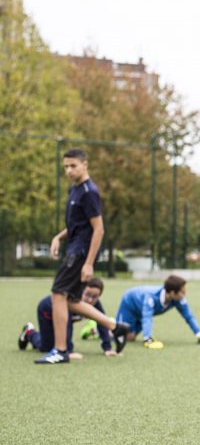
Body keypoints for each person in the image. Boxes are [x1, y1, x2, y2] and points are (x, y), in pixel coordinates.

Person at [38, 148, 129, 364]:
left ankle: (60, 351)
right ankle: (115, 327)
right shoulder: (75, 189)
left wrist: (88, 263)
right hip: (73, 249)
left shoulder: (89, 192)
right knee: (70, 300)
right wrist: (58, 237)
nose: (69, 170)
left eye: (73, 166)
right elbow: (77, 225)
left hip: (80, 253)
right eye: (66, 167)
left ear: (85, 165)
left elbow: (98, 229)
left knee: (58, 294)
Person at [19, 277, 116, 359]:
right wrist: (69, 351)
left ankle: (32, 334)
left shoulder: (96, 305)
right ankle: (29, 333)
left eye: (94, 297)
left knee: (52, 344)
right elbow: (67, 325)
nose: (90, 300)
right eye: (87, 294)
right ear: (80, 290)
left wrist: (107, 348)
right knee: (46, 347)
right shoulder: (71, 301)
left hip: (62, 319)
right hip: (47, 312)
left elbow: (102, 322)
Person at [116, 275, 200, 349]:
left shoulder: (178, 299)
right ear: (172, 293)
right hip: (130, 304)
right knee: (121, 335)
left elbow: (189, 316)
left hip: (142, 310)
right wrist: (148, 339)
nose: (185, 294)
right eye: (183, 292)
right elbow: (147, 317)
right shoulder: (151, 297)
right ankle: (106, 327)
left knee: (131, 337)